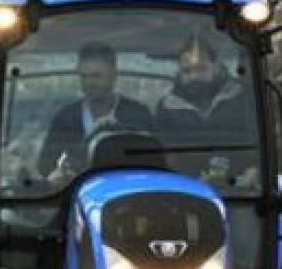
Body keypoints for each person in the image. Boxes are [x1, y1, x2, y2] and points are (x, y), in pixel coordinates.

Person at [37, 42, 155, 183]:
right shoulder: (65, 118)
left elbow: (151, 161)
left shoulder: (137, 115)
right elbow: (45, 165)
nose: (89, 83)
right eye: (84, 77)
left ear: (113, 76)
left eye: (96, 76)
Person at [155, 33, 249, 147]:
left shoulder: (243, 99)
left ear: (216, 67)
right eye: (187, 71)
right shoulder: (167, 108)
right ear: (179, 72)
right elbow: (164, 151)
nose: (194, 76)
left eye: (201, 69)